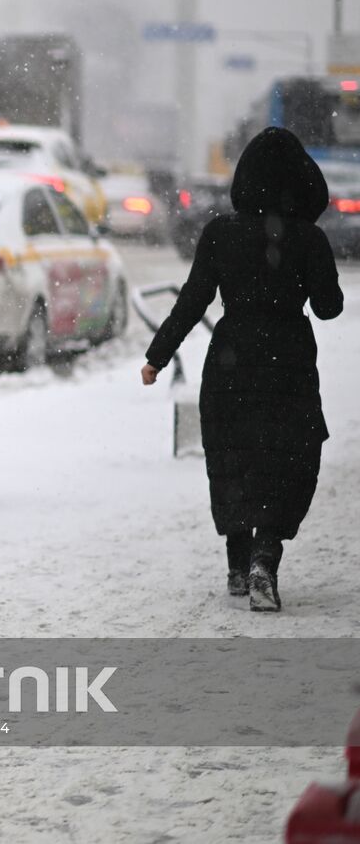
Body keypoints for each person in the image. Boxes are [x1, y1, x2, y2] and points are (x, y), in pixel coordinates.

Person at [142, 127, 342, 612]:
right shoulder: (309, 238)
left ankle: (236, 563)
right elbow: (329, 307)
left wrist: (157, 355)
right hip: (289, 363)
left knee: (232, 455)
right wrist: (310, 262)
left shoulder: (220, 232)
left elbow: (193, 300)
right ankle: (264, 558)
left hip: (231, 359)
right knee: (287, 458)